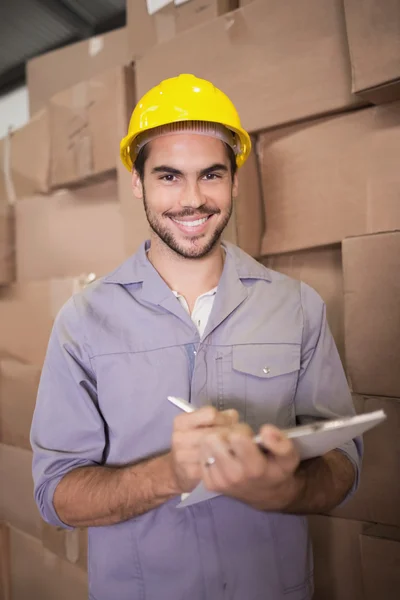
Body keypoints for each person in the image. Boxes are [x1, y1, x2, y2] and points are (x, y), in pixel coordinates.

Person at [31, 74, 362, 600]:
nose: (193, 199)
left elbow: (344, 464)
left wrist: (285, 487)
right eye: (168, 176)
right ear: (137, 183)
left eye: (211, 174)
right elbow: (56, 494)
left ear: (234, 180)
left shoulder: (296, 307)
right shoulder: (83, 321)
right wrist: (169, 474)